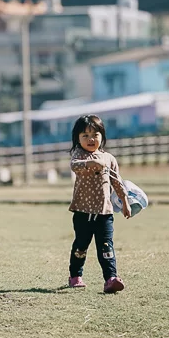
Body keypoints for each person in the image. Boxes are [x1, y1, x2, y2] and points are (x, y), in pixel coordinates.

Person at [67, 114, 131, 293]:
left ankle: (111, 278)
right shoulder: (79, 155)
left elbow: (117, 182)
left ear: (102, 136)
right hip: (82, 212)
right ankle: (75, 276)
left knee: (106, 246)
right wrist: (91, 162)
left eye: (94, 135)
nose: (90, 139)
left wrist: (125, 201)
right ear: (78, 138)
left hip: (105, 213)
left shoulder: (109, 159)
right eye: (85, 136)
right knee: (81, 245)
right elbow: (75, 166)